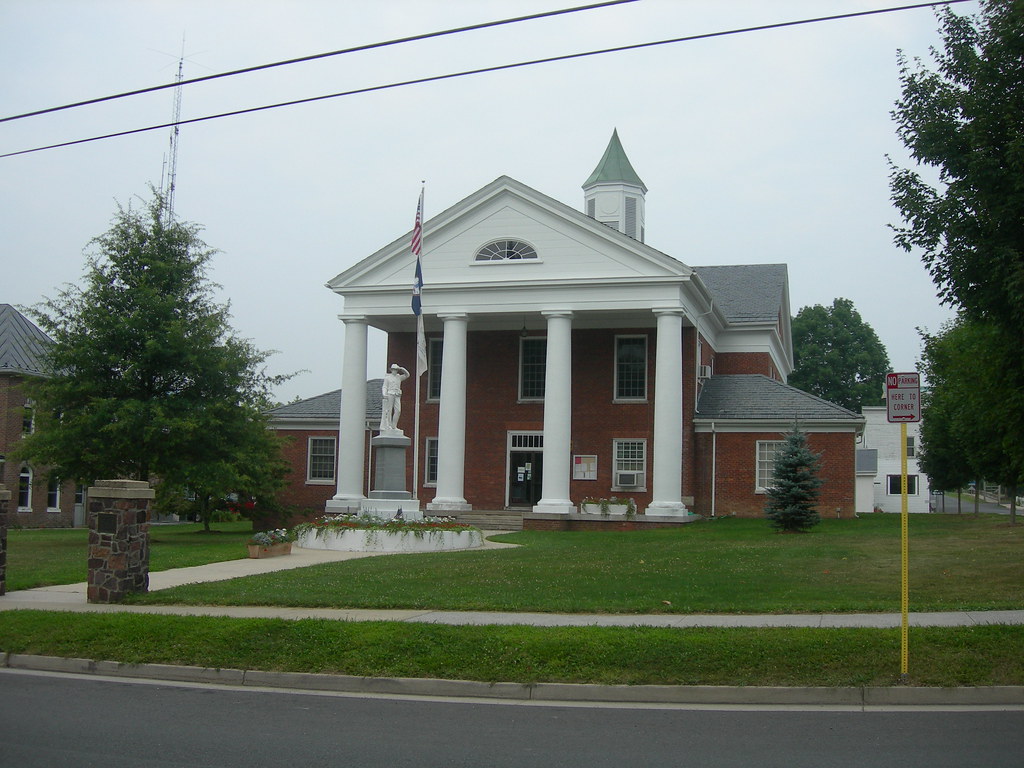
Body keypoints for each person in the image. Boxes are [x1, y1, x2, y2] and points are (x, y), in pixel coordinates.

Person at [380, 363, 410, 432]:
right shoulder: (387, 378)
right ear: (391, 370)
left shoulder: (399, 377)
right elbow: (385, 386)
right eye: (394, 369)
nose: (395, 371)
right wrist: (384, 393)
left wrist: (402, 369)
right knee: (389, 410)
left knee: (398, 410)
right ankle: (389, 425)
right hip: (390, 394)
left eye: (396, 370)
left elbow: (407, 375)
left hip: (397, 394)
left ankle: (394, 426)